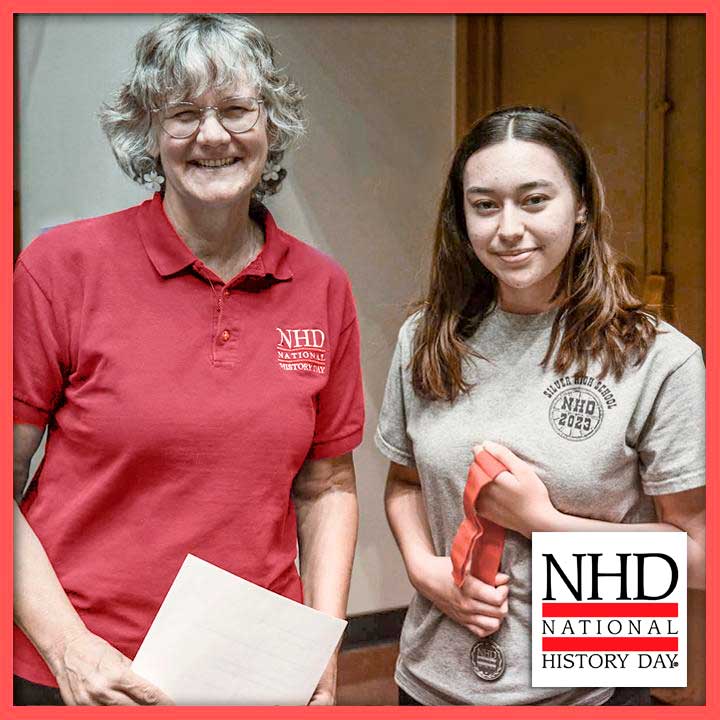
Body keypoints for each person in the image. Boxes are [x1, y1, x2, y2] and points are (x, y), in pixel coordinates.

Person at [14, 14, 363, 706]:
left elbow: (327, 489)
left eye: (236, 109)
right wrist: (68, 647)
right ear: (150, 131)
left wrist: (319, 643)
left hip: (248, 669)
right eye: (183, 113)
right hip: (78, 672)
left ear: (272, 126)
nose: (212, 135)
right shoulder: (61, 268)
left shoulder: (322, 287)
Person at [376, 106, 705, 706]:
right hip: (429, 683)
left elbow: (702, 558)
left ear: (580, 205)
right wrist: (424, 568)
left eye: (534, 200)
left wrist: (544, 524)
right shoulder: (427, 337)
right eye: (484, 204)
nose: (508, 228)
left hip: (589, 689)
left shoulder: (658, 359)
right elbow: (403, 481)